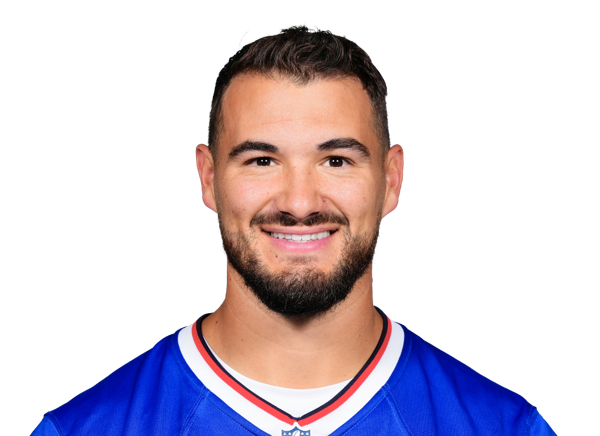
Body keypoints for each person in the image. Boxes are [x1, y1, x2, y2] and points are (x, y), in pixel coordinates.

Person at [32, 24, 556, 436]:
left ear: (392, 180)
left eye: (336, 160)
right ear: (208, 178)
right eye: (261, 161)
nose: (300, 204)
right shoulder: (82, 430)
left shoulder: (506, 428)